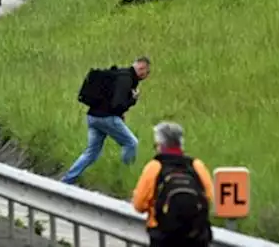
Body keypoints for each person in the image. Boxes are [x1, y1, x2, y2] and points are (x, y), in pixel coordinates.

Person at [62, 56, 151, 185]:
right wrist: (133, 100)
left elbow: (110, 99)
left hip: (92, 117)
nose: (146, 76)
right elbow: (117, 104)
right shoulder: (126, 79)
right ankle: (124, 177)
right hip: (106, 118)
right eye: (146, 72)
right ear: (141, 68)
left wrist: (120, 113)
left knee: (91, 153)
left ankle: (66, 180)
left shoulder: (117, 74)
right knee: (131, 143)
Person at [130, 122, 215, 247]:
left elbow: (139, 205)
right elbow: (209, 197)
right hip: (195, 235)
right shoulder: (196, 166)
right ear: (181, 143)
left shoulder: (155, 167)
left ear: (160, 145)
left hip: (164, 236)